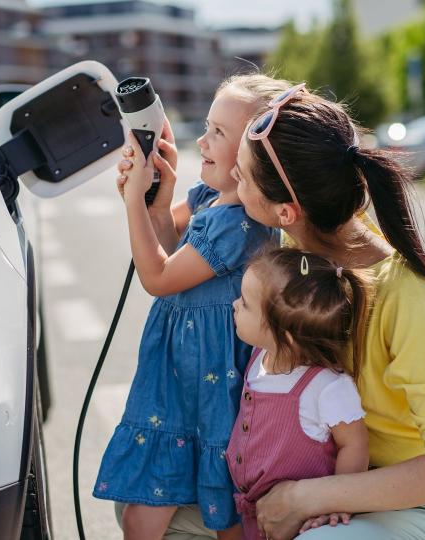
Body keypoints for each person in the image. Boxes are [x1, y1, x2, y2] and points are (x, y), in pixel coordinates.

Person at [228, 83, 425, 540]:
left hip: (424, 508)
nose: (234, 180)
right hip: (329, 486)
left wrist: (312, 498)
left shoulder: (407, 297)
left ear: (286, 211)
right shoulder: (302, 244)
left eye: (243, 177)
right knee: (159, 511)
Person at [97, 74, 288, 539]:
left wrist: (131, 203)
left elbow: (157, 277)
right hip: (180, 375)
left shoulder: (237, 220)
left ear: (253, 158)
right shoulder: (209, 198)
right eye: (207, 127)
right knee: (147, 512)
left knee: (217, 508)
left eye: (219, 134)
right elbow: (166, 243)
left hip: (207, 381)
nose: (201, 140)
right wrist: (156, 198)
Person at [227, 248, 370, 539]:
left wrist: (338, 499)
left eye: (245, 303)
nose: (234, 305)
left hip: (299, 521)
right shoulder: (258, 358)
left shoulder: (325, 387)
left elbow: (354, 445)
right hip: (253, 511)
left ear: (285, 335)